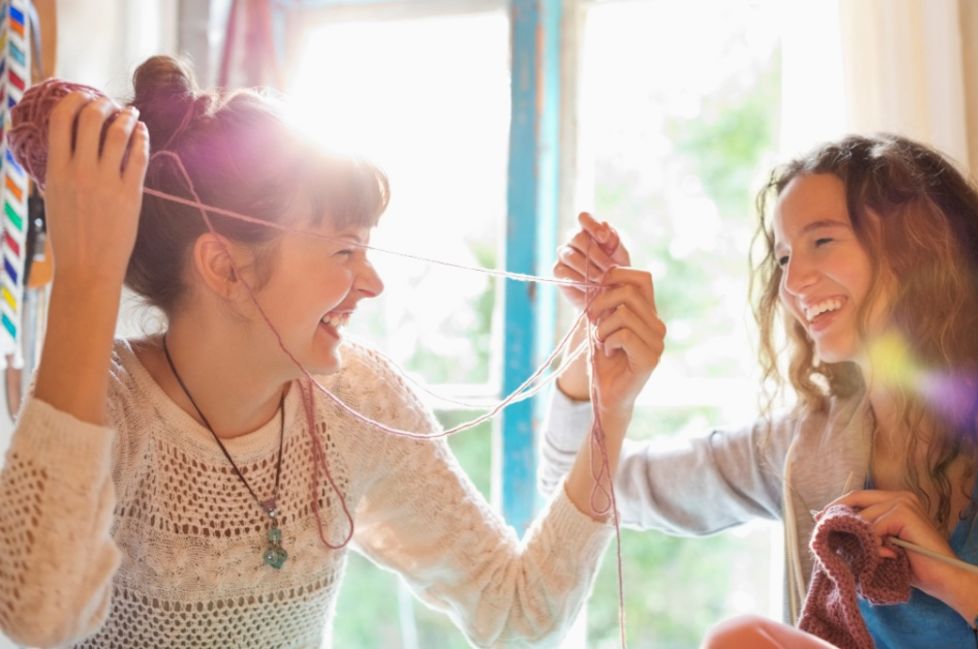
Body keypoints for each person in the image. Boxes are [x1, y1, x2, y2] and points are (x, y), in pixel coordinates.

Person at [0, 55, 665, 648]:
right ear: (225, 268)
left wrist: (611, 409)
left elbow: (520, 612)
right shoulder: (108, 403)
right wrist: (85, 277)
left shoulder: (357, 401)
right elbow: (37, 616)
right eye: (344, 251)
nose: (372, 283)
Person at [542, 134, 978, 648]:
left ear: (918, 246)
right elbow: (582, 494)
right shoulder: (810, 439)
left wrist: (954, 578)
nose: (792, 279)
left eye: (821, 241)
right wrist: (599, 370)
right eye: (782, 255)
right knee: (741, 638)